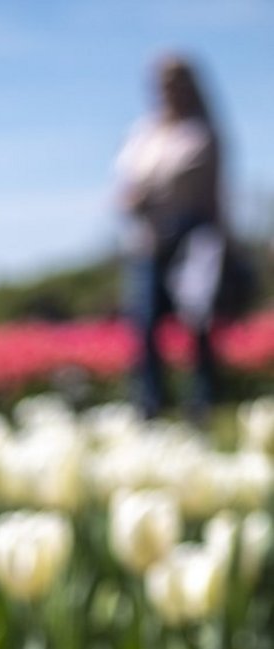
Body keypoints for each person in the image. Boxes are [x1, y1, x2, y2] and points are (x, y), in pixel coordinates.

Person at [116, 56, 224, 421]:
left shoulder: (202, 132)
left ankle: (202, 406)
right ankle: (150, 407)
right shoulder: (143, 132)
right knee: (145, 326)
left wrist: (223, 244)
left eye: (174, 81)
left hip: (192, 241)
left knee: (197, 323)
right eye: (161, 82)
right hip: (147, 241)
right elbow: (127, 185)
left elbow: (215, 195)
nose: (167, 90)